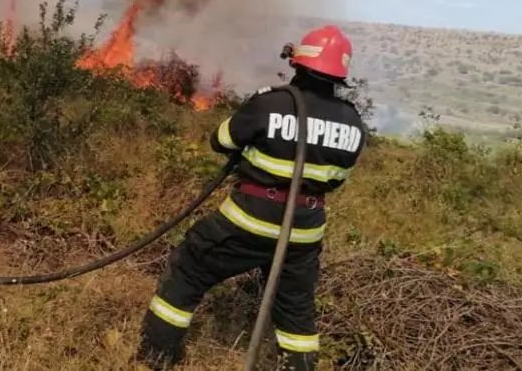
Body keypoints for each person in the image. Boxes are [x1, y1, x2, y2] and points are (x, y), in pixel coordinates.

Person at [137, 25, 367, 371]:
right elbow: (337, 179)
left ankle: (155, 359)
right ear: (340, 75)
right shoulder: (353, 122)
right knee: (296, 311)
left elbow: (222, 140)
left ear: (298, 63)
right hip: (303, 232)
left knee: (188, 269)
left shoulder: (271, 102)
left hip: (249, 219)